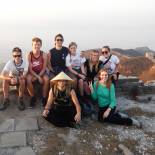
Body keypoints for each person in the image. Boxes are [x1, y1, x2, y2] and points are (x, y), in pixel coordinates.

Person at [27, 37, 49, 108]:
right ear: (32, 45)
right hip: (32, 72)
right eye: (35, 44)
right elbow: (30, 69)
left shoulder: (44, 54)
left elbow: (44, 67)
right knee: (28, 79)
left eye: (38, 44)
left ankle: (44, 98)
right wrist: (38, 77)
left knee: (46, 79)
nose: (36, 46)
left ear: (41, 45)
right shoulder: (29, 55)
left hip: (41, 72)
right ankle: (33, 98)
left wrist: (39, 76)